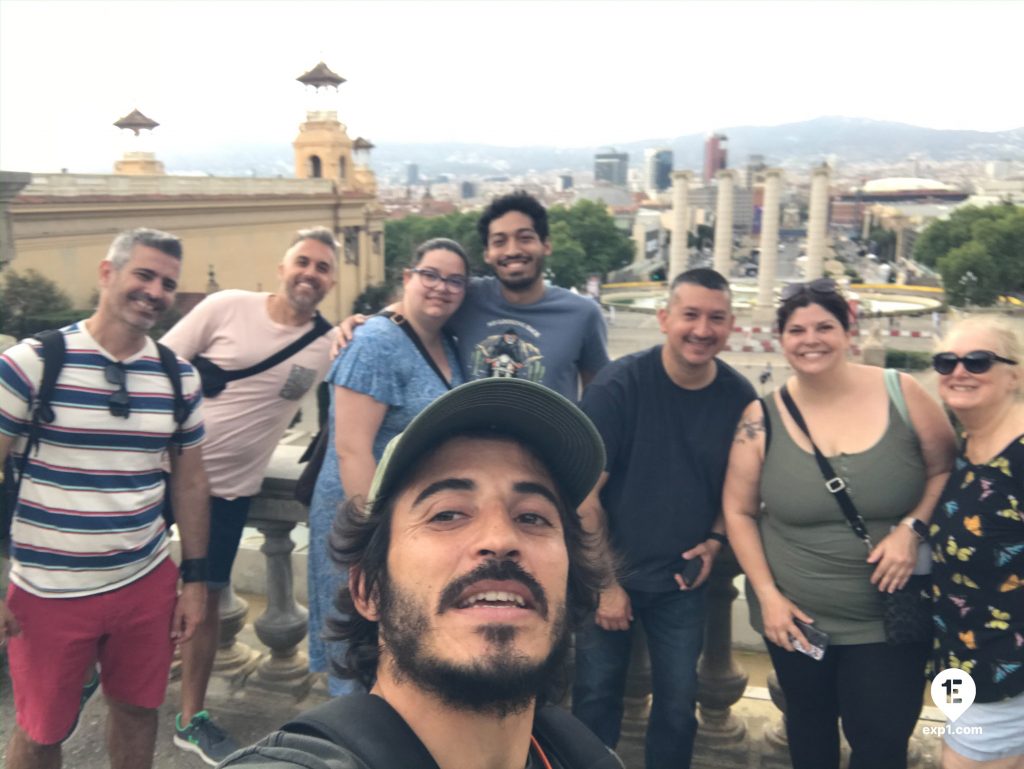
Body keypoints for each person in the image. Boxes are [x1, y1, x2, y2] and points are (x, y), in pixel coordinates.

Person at [219, 376, 621, 769]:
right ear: (369, 590)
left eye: (532, 517)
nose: (500, 538)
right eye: (446, 513)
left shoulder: (579, 752)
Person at [722, 278, 956, 769]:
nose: (811, 339)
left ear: (848, 331)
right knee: (808, 731)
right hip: (798, 621)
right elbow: (739, 511)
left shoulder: (904, 392)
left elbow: (945, 469)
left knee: (881, 742)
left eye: (824, 326)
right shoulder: (760, 417)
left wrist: (912, 528)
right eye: (796, 329)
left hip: (888, 620)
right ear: (781, 340)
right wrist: (767, 596)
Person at [0, 228, 209, 769]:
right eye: (144, 274)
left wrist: (195, 580)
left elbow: (189, 481)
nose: (155, 291)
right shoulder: (33, 364)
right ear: (107, 272)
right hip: (48, 592)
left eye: (167, 283)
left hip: (145, 581)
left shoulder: (176, 378)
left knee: (140, 712)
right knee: (41, 733)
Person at [159, 226, 338, 765]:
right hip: (157, 470)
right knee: (130, 591)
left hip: (228, 493)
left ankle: (192, 718)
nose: (310, 273)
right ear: (282, 268)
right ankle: (103, 680)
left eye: (323, 267)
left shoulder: (327, 344)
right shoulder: (227, 306)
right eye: (303, 262)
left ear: (330, 282)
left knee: (207, 598)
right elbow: (159, 367)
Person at [572, 268, 756, 769]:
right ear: (664, 319)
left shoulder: (739, 398)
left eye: (715, 318)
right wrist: (607, 585)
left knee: (679, 708)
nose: (702, 329)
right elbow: (583, 498)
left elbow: (739, 487)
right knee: (594, 698)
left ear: (731, 324)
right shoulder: (618, 387)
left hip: (682, 581)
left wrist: (718, 539)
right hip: (611, 571)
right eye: (690, 315)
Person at [307, 238, 469, 697]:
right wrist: (373, 536)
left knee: (396, 646)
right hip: (362, 522)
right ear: (408, 277)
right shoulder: (376, 341)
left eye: (454, 280)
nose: (441, 287)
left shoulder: (446, 342)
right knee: (357, 646)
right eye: (431, 274)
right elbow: (352, 450)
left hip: (407, 520)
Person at [341, 191, 609, 400]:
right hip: (472, 459)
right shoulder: (467, 295)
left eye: (525, 238)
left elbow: (598, 397)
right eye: (499, 241)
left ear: (546, 245)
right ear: (487, 254)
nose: (512, 250)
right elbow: (417, 305)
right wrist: (367, 322)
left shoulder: (582, 314)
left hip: (548, 464)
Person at [929, 315, 1024, 769]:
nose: (958, 371)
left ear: (1016, 374)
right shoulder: (967, 447)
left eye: (978, 361)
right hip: (964, 665)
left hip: (1008, 675)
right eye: (946, 361)